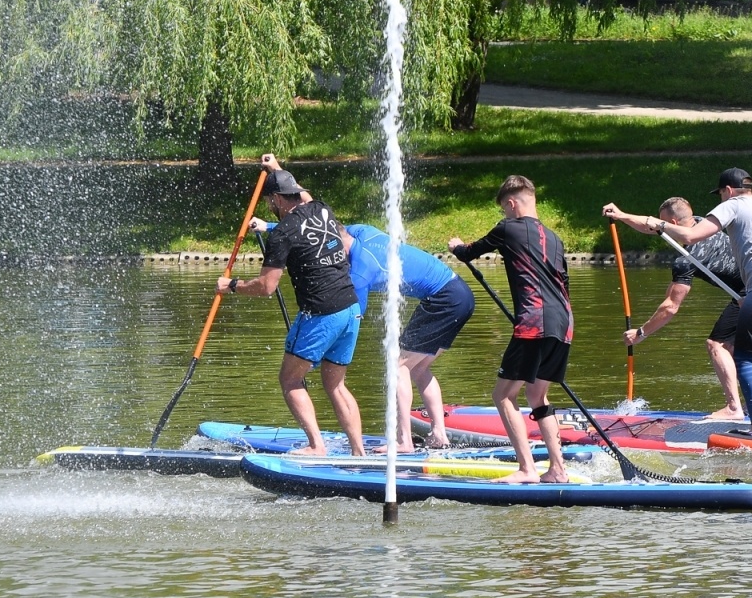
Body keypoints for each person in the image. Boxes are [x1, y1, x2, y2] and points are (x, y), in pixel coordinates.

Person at [603, 167, 752, 438]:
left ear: (728, 190)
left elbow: (671, 306)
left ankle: (749, 420)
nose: (720, 198)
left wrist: (640, 333)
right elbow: (658, 228)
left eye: (720, 193)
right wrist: (622, 216)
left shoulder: (693, 250)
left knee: (731, 350)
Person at [219, 161, 365, 455]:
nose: (269, 206)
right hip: (351, 308)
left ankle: (316, 446)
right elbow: (304, 194)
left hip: (321, 313)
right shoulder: (322, 209)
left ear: (276, 199)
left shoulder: (283, 232)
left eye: (270, 201)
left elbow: (266, 286)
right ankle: (359, 452)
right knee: (336, 385)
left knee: (289, 379)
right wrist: (277, 169)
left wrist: (231, 285)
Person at [447, 175, 573, 484]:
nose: (504, 213)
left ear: (512, 204)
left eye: (504, 208)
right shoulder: (555, 238)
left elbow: (468, 252)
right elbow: (564, 283)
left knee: (503, 394)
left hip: (534, 321)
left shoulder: (508, 228)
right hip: (564, 322)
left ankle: (527, 469)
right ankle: (557, 469)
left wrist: (456, 246)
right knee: (537, 395)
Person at [345, 223, 476, 451]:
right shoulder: (361, 231)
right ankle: (439, 434)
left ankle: (403, 441)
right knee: (418, 368)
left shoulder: (360, 271)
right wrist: (276, 227)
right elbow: (327, 227)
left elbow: (355, 314)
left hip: (444, 299)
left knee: (398, 366)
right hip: (461, 295)